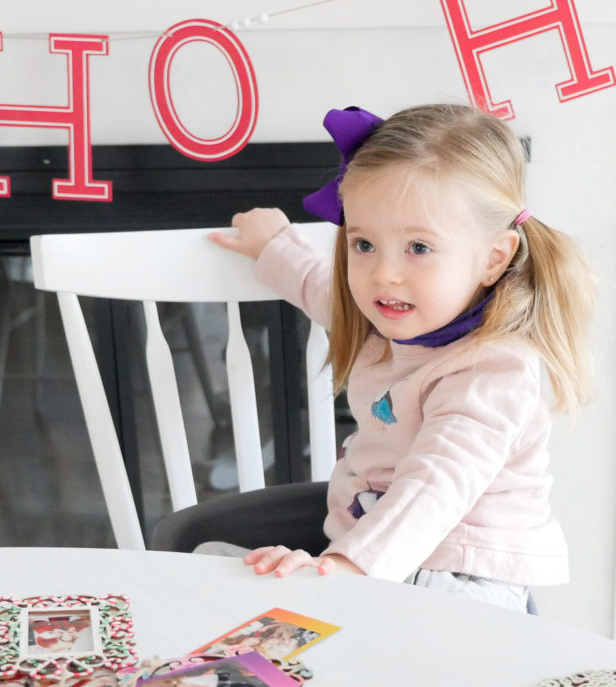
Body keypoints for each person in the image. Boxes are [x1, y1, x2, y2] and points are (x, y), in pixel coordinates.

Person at [207, 103, 594, 611]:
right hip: (382, 554)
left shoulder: (490, 370)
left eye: (418, 248)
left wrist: (346, 568)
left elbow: (437, 484)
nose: (383, 274)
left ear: (493, 258)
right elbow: (322, 288)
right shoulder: (387, 316)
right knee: (208, 557)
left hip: (459, 581)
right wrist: (276, 245)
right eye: (364, 243)